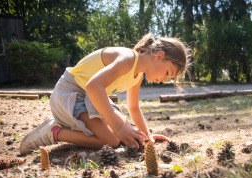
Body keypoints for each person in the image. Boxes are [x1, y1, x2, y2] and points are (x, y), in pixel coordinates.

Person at [19, 33, 191, 154]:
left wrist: (147, 136)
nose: (164, 79)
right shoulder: (127, 58)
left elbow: (133, 108)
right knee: (112, 140)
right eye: (168, 73)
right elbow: (93, 86)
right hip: (71, 92)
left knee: (128, 136)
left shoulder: (137, 77)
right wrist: (117, 127)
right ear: (159, 56)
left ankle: (98, 129)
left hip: (92, 97)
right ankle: (54, 132)